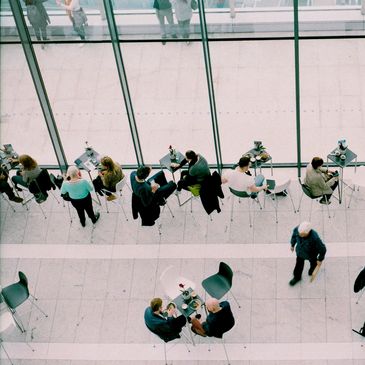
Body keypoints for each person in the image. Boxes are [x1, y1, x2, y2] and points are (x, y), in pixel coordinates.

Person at [289, 221, 327, 286]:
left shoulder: (315, 238)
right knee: (298, 265)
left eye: (302, 234)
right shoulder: (297, 230)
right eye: (299, 233)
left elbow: (323, 249)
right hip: (300, 252)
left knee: (313, 264)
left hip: (311, 254)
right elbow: (294, 236)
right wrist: (292, 245)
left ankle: (312, 271)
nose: (300, 234)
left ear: (308, 232)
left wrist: (320, 259)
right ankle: (297, 277)